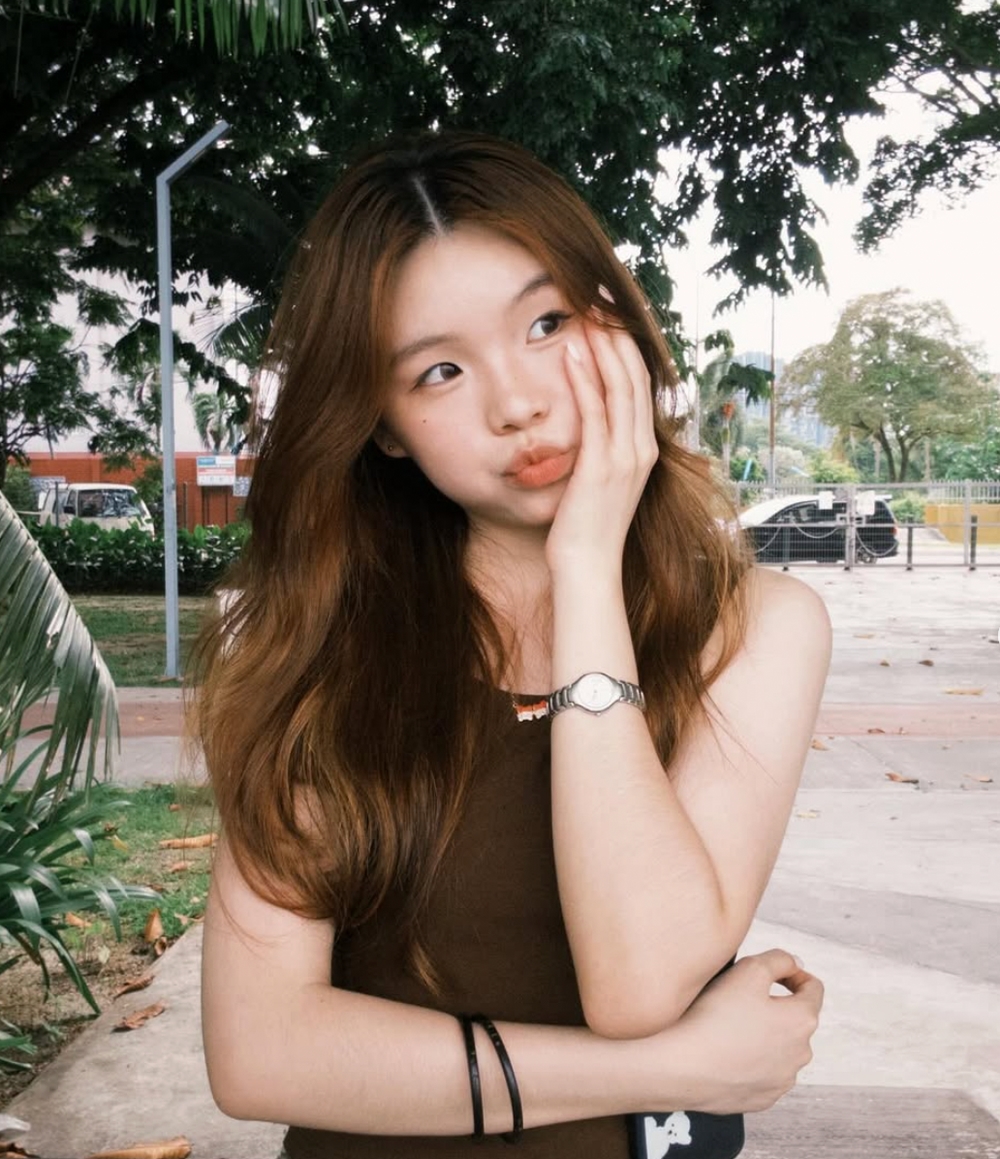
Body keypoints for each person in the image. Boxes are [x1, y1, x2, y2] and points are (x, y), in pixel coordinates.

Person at [196, 131, 831, 1158]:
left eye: (545, 323)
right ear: (385, 425)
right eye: (440, 370)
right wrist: (671, 1069)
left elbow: (640, 981)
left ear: (615, 322)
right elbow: (260, 1052)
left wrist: (584, 565)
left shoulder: (758, 625)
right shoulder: (322, 644)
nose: (518, 403)